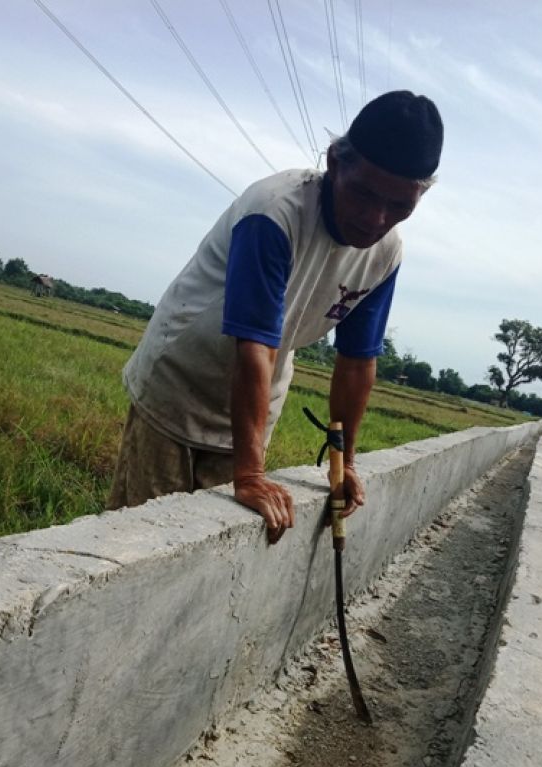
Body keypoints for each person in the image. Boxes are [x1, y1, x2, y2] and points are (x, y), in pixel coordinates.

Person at [108, 90, 443, 543]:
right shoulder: (275, 213)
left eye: (400, 206)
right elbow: (254, 346)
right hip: (181, 381)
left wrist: (344, 467)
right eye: (364, 193)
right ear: (336, 163)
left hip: (256, 402)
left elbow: (357, 362)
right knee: (142, 540)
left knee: (220, 548)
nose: (376, 217)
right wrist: (249, 475)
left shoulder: (386, 253)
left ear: (419, 196)